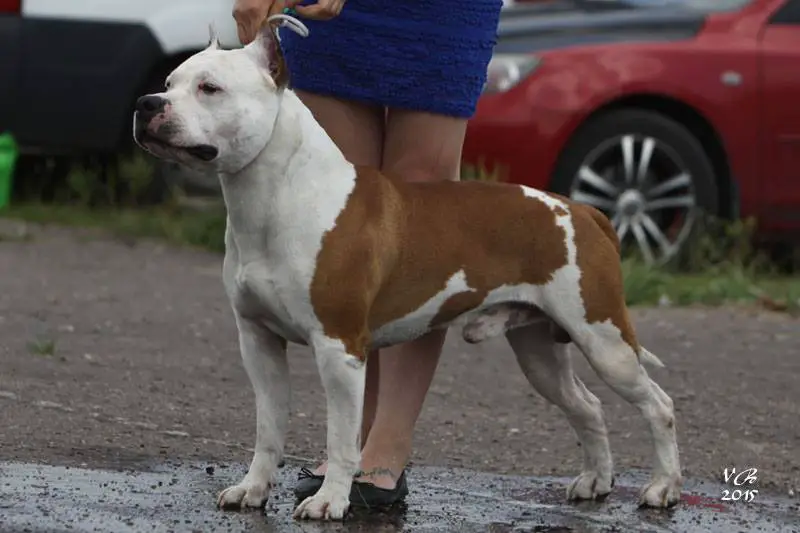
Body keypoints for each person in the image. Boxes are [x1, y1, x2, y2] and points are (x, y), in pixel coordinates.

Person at [232, 0, 504, 507]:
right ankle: (348, 445)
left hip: (439, 14)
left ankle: (388, 445)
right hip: (340, 17)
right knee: (340, 206)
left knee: (422, 216)